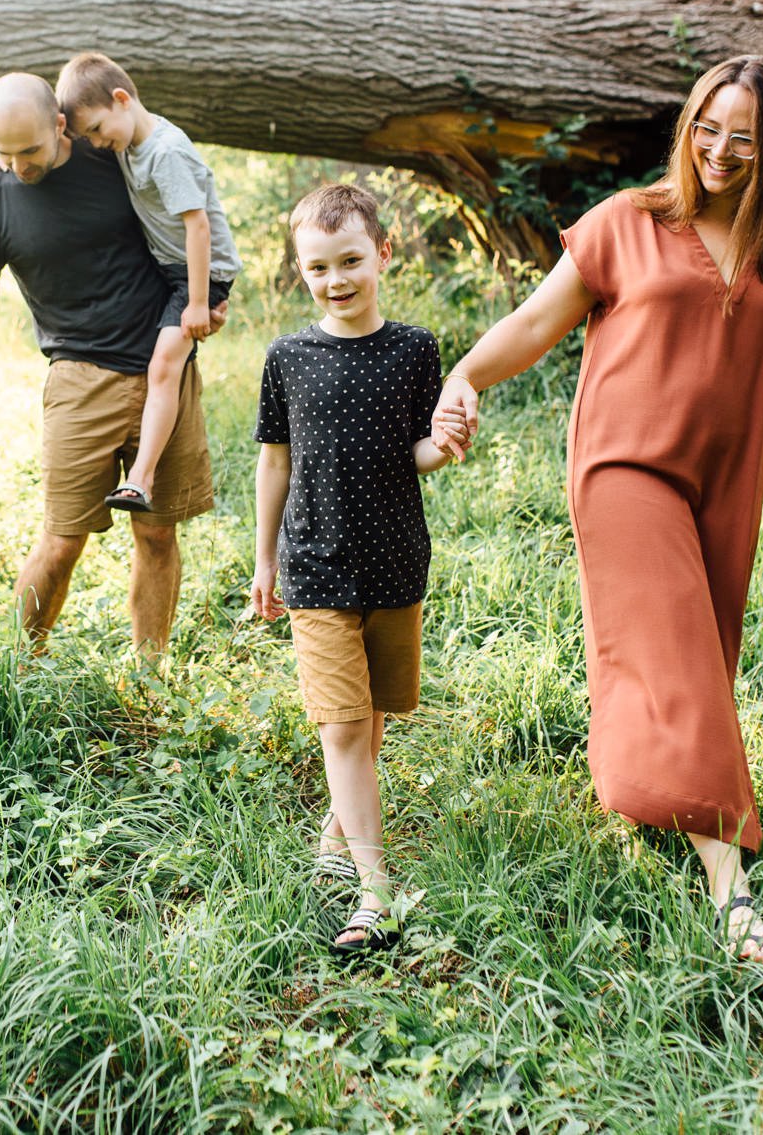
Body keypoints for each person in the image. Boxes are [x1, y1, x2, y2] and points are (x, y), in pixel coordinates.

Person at [430, 55, 763, 965]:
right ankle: (731, 890)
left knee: (695, 647)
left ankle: (641, 787)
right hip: (624, 466)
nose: (720, 149)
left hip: (727, 480)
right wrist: (461, 374)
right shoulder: (630, 222)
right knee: (677, 649)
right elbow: (537, 324)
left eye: (743, 135)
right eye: (706, 126)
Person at [250, 182, 465, 954]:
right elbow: (275, 463)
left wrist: (448, 442)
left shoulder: (414, 349)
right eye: (317, 267)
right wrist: (263, 557)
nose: (335, 279)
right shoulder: (288, 357)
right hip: (314, 564)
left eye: (349, 261)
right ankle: (376, 890)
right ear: (299, 270)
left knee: (371, 719)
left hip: (395, 560)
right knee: (342, 724)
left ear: (383, 253)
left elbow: (420, 449)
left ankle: (338, 833)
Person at [0, 72, 220, 655]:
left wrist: (204, 302)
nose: (20, 166)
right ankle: (13, 670)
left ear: (60, 125)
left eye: (31, 150)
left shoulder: (112, 155)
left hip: (162, 369)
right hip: (78, 380)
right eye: (4, 152)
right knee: (62, 538)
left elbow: (186, 222)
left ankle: (152, 680)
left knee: (156, 531)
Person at [54, 52, 241, 515]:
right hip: (169, 267)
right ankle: (142, 476)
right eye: (88, 136)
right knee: (162, 364)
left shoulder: (166, 151)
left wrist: (198, 302)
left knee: (163, 368)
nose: (96, 143)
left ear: (122, 99)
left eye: (97, 129)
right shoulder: (126, 142)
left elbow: (198, 227)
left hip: (198, 272)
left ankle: (143, 477)